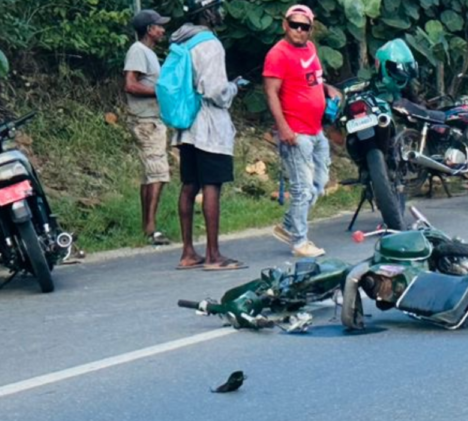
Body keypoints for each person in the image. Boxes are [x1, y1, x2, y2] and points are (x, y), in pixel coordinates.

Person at [170, 0, 246, 271]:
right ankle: (213, 255)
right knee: (212, 184)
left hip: (186, 124)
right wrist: (233, 88)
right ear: (208, 13)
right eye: (217, 8)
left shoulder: (181, 41)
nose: (221, 12)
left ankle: (188, 252)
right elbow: (215, 92)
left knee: (189, 185)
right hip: (209, 125)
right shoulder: (210, 44)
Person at [263, 4, 342, 258]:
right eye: (294, 24)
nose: (299, 30)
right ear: (285, 25)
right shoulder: (278, 54)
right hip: (296, 131)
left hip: (316, 129)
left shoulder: (310, 49)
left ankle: (288, 225)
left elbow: (311, 79)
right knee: (302, 188)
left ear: (310, 28)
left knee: (319, 183)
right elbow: (271, 93)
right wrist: (284, 128)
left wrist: (326, 88)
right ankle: (299, 241)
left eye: (304, 26)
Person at [124, 9, 172, 245]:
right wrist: (160, 92)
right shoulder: (138, 51)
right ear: (149, 29)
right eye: (159, 26)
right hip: (147, 121)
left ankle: (147, 227)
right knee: (158, 173)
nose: (162, 29)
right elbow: (130, 85)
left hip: (151, 119)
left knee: (150, 175)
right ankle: (152, 229)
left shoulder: (148, 53)